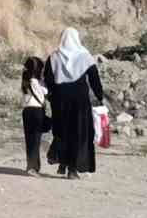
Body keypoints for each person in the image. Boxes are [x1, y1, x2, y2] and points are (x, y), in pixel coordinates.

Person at [44, 28, 106, 179]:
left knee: (62, 131)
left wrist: (52, 97)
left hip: (60, 102)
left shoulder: (53, 57)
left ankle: (62, 161)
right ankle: (72, 169)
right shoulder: (85, 57)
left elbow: (48, 80)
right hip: (80, 102)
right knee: (78, 133)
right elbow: (94, 80)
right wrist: (100, 97)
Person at [19, 57, 49, 175]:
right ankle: (33, 167)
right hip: (36, 111)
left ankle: (30, 165)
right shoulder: (35, 81)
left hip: (27, 111)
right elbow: (45, 92)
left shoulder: (25, 81)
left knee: (29, 139)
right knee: (36, 140)